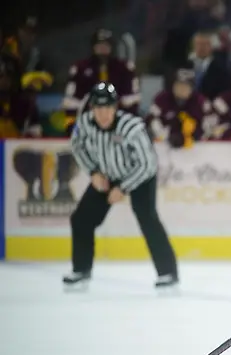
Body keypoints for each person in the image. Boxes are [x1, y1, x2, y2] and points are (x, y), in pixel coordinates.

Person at [63, 82, 178, 290]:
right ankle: (81, 270)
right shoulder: (85, 123)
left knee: (147, 218)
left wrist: (123, 188)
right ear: (92, 109)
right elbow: (77, 146)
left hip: (139, 176)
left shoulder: (133, 127)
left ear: (115, 108)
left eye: (107, 108)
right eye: (98, 108)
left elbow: (148, 164)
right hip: (106, 174)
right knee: (81, 219)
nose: (103, 113)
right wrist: (93, 172)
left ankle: (168, 273)